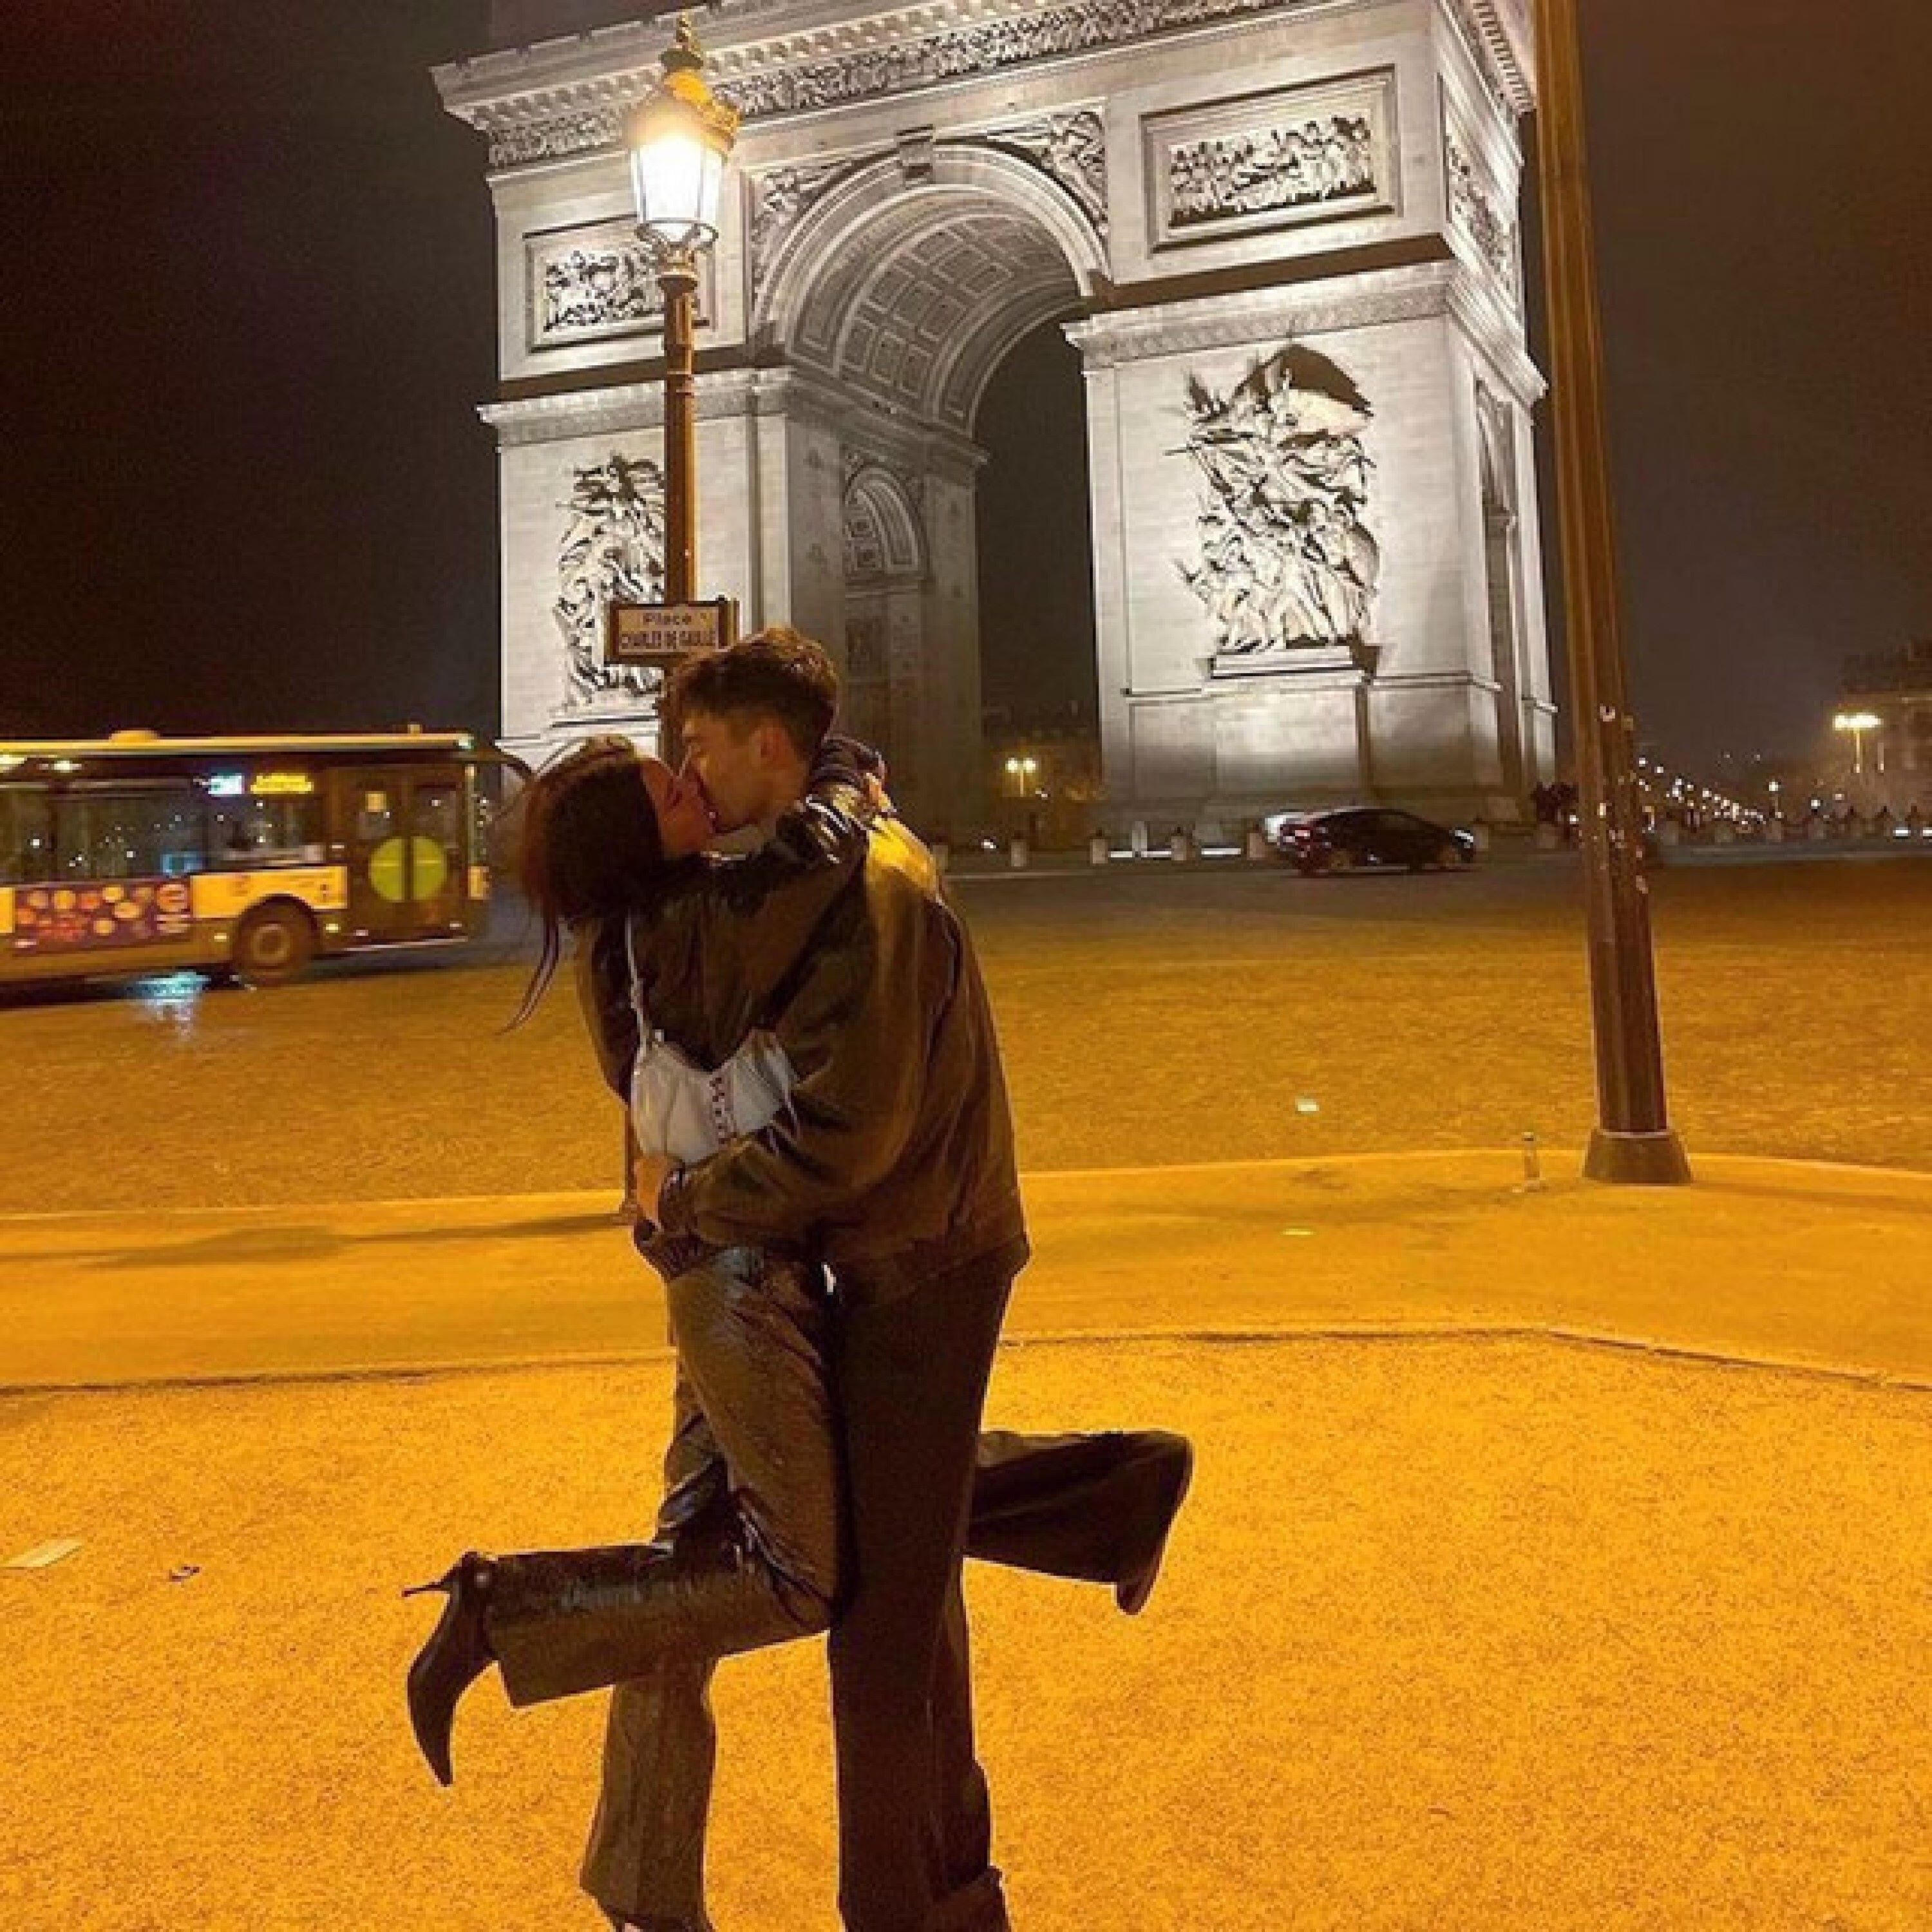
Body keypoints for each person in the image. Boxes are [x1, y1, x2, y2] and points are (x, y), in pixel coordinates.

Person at [404, 716, 1193, 1932]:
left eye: (693, 760)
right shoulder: (696, 922)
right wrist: (836, 770)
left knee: (685, 1566)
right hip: (736, 1272)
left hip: (710, 1263)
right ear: (638, 842)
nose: (696, 783)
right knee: (797, 1572)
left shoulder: (639, 925)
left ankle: (645, 1889)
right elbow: (814, 867)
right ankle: (504, 1612)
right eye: (672, 786)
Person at [636, 629, 1048, 1932]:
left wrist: (685, 1202)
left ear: (769, 745)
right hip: (898, 1247)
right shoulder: (827, 861)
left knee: (880, 1626)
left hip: (923, 1259)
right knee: (904, 1583)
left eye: (699, 748)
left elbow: (848, 1136)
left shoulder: (870, 882)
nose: (686, 774)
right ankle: (952, 1897)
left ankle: (899, 1911)